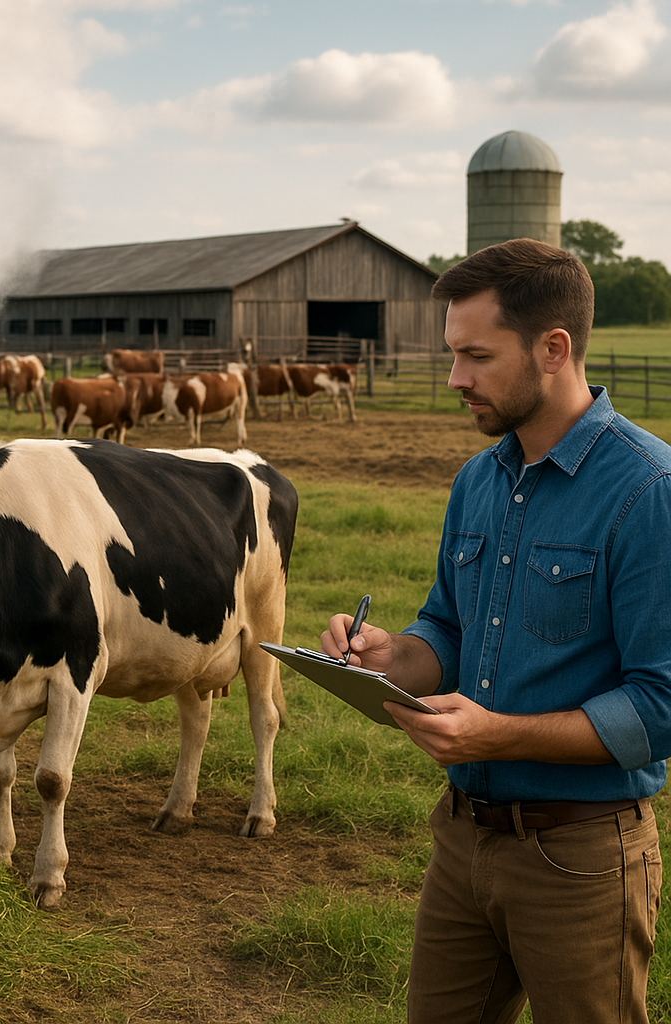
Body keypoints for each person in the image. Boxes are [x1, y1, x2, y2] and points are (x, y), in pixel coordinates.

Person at [321, 237, 671, 1024]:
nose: (455, 379)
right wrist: (387, 657)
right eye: (453, 355)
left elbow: (661, 705)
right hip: (460, 840)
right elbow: (445, 628)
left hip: (579, 858)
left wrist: (499, 736)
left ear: (554, 349)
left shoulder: (650, 491)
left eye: (476, 356)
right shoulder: (478, 480)